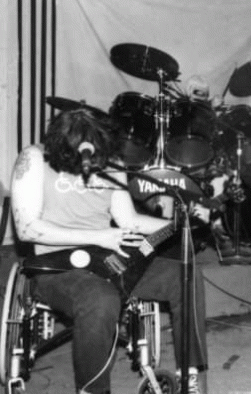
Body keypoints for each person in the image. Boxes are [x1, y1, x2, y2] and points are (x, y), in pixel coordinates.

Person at [10, 109, 209, 394]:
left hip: (110, 257)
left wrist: (184, 222)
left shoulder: (111, 161)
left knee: (185, 275)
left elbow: (129, 221)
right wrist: (97, 237)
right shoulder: (34, 159)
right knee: (100, 299)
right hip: (57, 266)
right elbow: (27, 228)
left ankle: (191, 374)